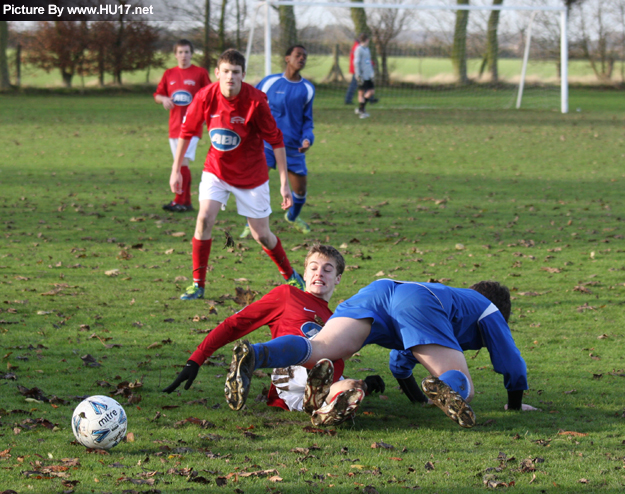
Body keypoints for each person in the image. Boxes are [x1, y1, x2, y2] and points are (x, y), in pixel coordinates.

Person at [225, 279, 538, 428]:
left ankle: (257, 355)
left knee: (318, 347)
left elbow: (400, 364)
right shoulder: (489, 309)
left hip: (378, 291)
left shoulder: (453, 302)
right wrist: (514, 405)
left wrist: (418, 398)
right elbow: (513, 364)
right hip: (417, 300)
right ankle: (450, 387)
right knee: (462, 385)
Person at [162, 245, 384, 425]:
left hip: (315, 381)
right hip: (291, 368)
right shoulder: (288, 295)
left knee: (352, 388)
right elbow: (236, 324)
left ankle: (322, 409)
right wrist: (197, 358)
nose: (319, 273)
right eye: (314, 268)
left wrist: (367, 385)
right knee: (315, 357)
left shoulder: (337, 318)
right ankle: (312, 392)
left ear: (337, 278)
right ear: (304, 274)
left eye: (327, 269)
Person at [170, 49, 305, 300]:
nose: (230, 77)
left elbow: (276, 141)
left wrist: (284, 183)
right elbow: (186, 132)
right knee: (203, 220)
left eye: (235, 72)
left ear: (243, 74)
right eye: (226, 72)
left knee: (261, 235)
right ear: (217, 73)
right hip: (216, 170)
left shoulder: (256, 101)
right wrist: (176, 169)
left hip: (251, 175)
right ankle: (198, 284)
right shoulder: (204, 96)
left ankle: (290, 275)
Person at [240, 45, 315, 238]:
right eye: (298, 55)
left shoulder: (307, 89)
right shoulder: (269, 82)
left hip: (293, 148)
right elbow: (250, 104)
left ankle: (292, 217)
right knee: (255, 186)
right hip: (266, 145)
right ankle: (250, 225)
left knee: (300, 191)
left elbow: (308, 120)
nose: (302, 59)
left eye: (304, 56)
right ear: (287, 58)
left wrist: (308, 138)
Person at [154, 39, 211, 213]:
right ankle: (185, 201)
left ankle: (180, 200)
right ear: (175, 54)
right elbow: (157, 94)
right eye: (180, 52)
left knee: (182, 162)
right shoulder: (169, 73)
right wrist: (163, 99)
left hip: (192, 127)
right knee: (180, 164)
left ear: (192, 54)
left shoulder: (199, 73)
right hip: (174, 126)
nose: (184, 55)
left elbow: (210, 95)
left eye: (187, 52)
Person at [354, 33, 375, 119]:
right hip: (362, 75)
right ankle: (362, 111)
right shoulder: (359, 49)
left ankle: (360, 108)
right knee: (361, 93)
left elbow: (368, 62)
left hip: (368, 75)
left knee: (371, 91)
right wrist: (358, 74)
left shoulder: (367, 49)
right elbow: (356, 62)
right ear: (366, 40)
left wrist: (371, 72)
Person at [344, 38, 359, 105]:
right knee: (354, 85)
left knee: (365, 84)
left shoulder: (355, 46)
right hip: (357, 69)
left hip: (355, 68)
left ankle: (370, 98)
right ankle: (348, 99)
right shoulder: (358, 47)